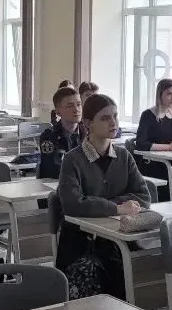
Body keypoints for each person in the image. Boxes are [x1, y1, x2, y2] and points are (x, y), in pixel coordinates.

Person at [56, 94, 151, 297]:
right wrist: (117, 208)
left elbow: (143, 196)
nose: (113, 122)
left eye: (115, 116)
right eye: (105, 118)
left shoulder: (124, 156)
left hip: (119, 238)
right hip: (83, 244)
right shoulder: (72, 160)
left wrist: (109, 205)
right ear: (88, 123)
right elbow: (72, 204)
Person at [135, 78, 172, 201]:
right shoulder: (148, 115)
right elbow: (141, 144)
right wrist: (170, 147)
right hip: (151, 163)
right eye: (169, 94)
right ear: (160, 94)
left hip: (168, 161)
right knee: (168, 178)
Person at [37, 87, 85, 179]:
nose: (76, 109)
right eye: (70, 106)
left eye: (79, 104)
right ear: (58, 112)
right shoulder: (49, 136)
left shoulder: (89, 134)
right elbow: (50, 170)